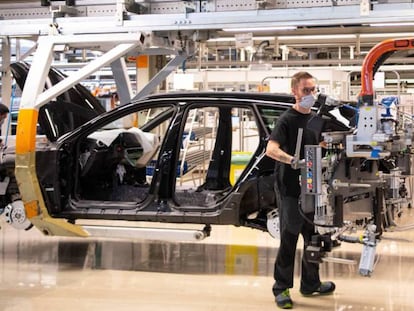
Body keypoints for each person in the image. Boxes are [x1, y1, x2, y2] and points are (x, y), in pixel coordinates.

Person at [265, 71, 335, 309]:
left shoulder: (316, 119)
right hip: (290, 188)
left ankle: (310, 283)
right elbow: (271, 149)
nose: (311, 94)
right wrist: (293, 160)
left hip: (312, 187)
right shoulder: (287, 119)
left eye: (313, 90)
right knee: (289, 238)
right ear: (294, 92)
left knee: (312, 236)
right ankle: (281, 288)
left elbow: (322, 147)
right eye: (306, 90)